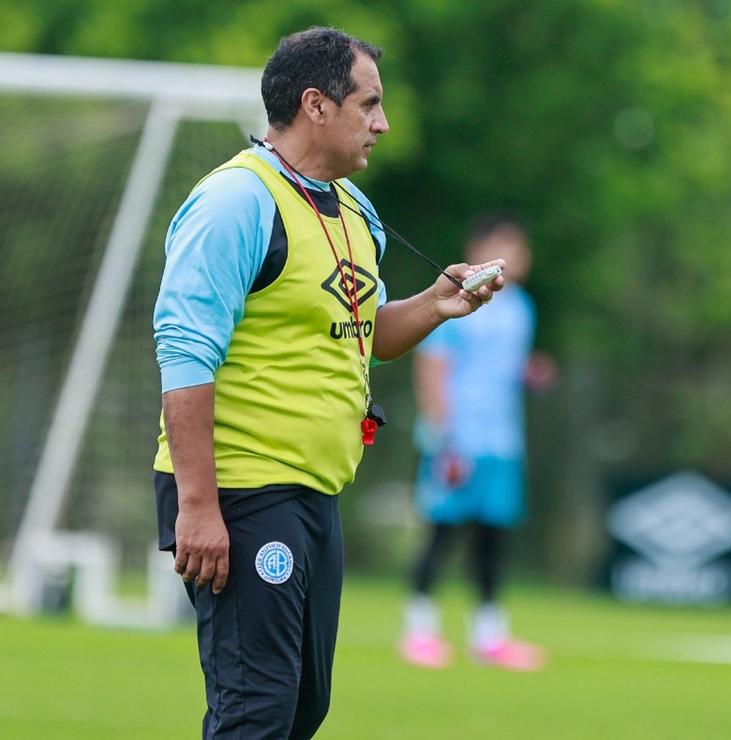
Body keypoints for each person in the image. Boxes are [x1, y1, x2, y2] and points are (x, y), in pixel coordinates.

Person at [151, 27, 506, 739]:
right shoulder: (235, 203)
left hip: (315, 496)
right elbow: (185, 353)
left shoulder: (354, 211)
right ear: (316, 105)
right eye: (369, 104)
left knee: (302, 708)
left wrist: (438, 304)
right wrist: (198, 506)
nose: (382, 123)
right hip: (243, 492)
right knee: (257, 710)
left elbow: (366, 333)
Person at [399, 214, 552, 672]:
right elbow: (432, 368)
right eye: (508, 244)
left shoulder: (522, 307)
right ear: (480, 247)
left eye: (520, 246)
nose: (519, 255)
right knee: (442, 535)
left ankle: (489, 637)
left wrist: (532, 374)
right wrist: (441, 435)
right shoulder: (457, 300)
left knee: (492, 539)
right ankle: (419, 631)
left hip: (501, 443)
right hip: (457, 441)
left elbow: (504, 371)